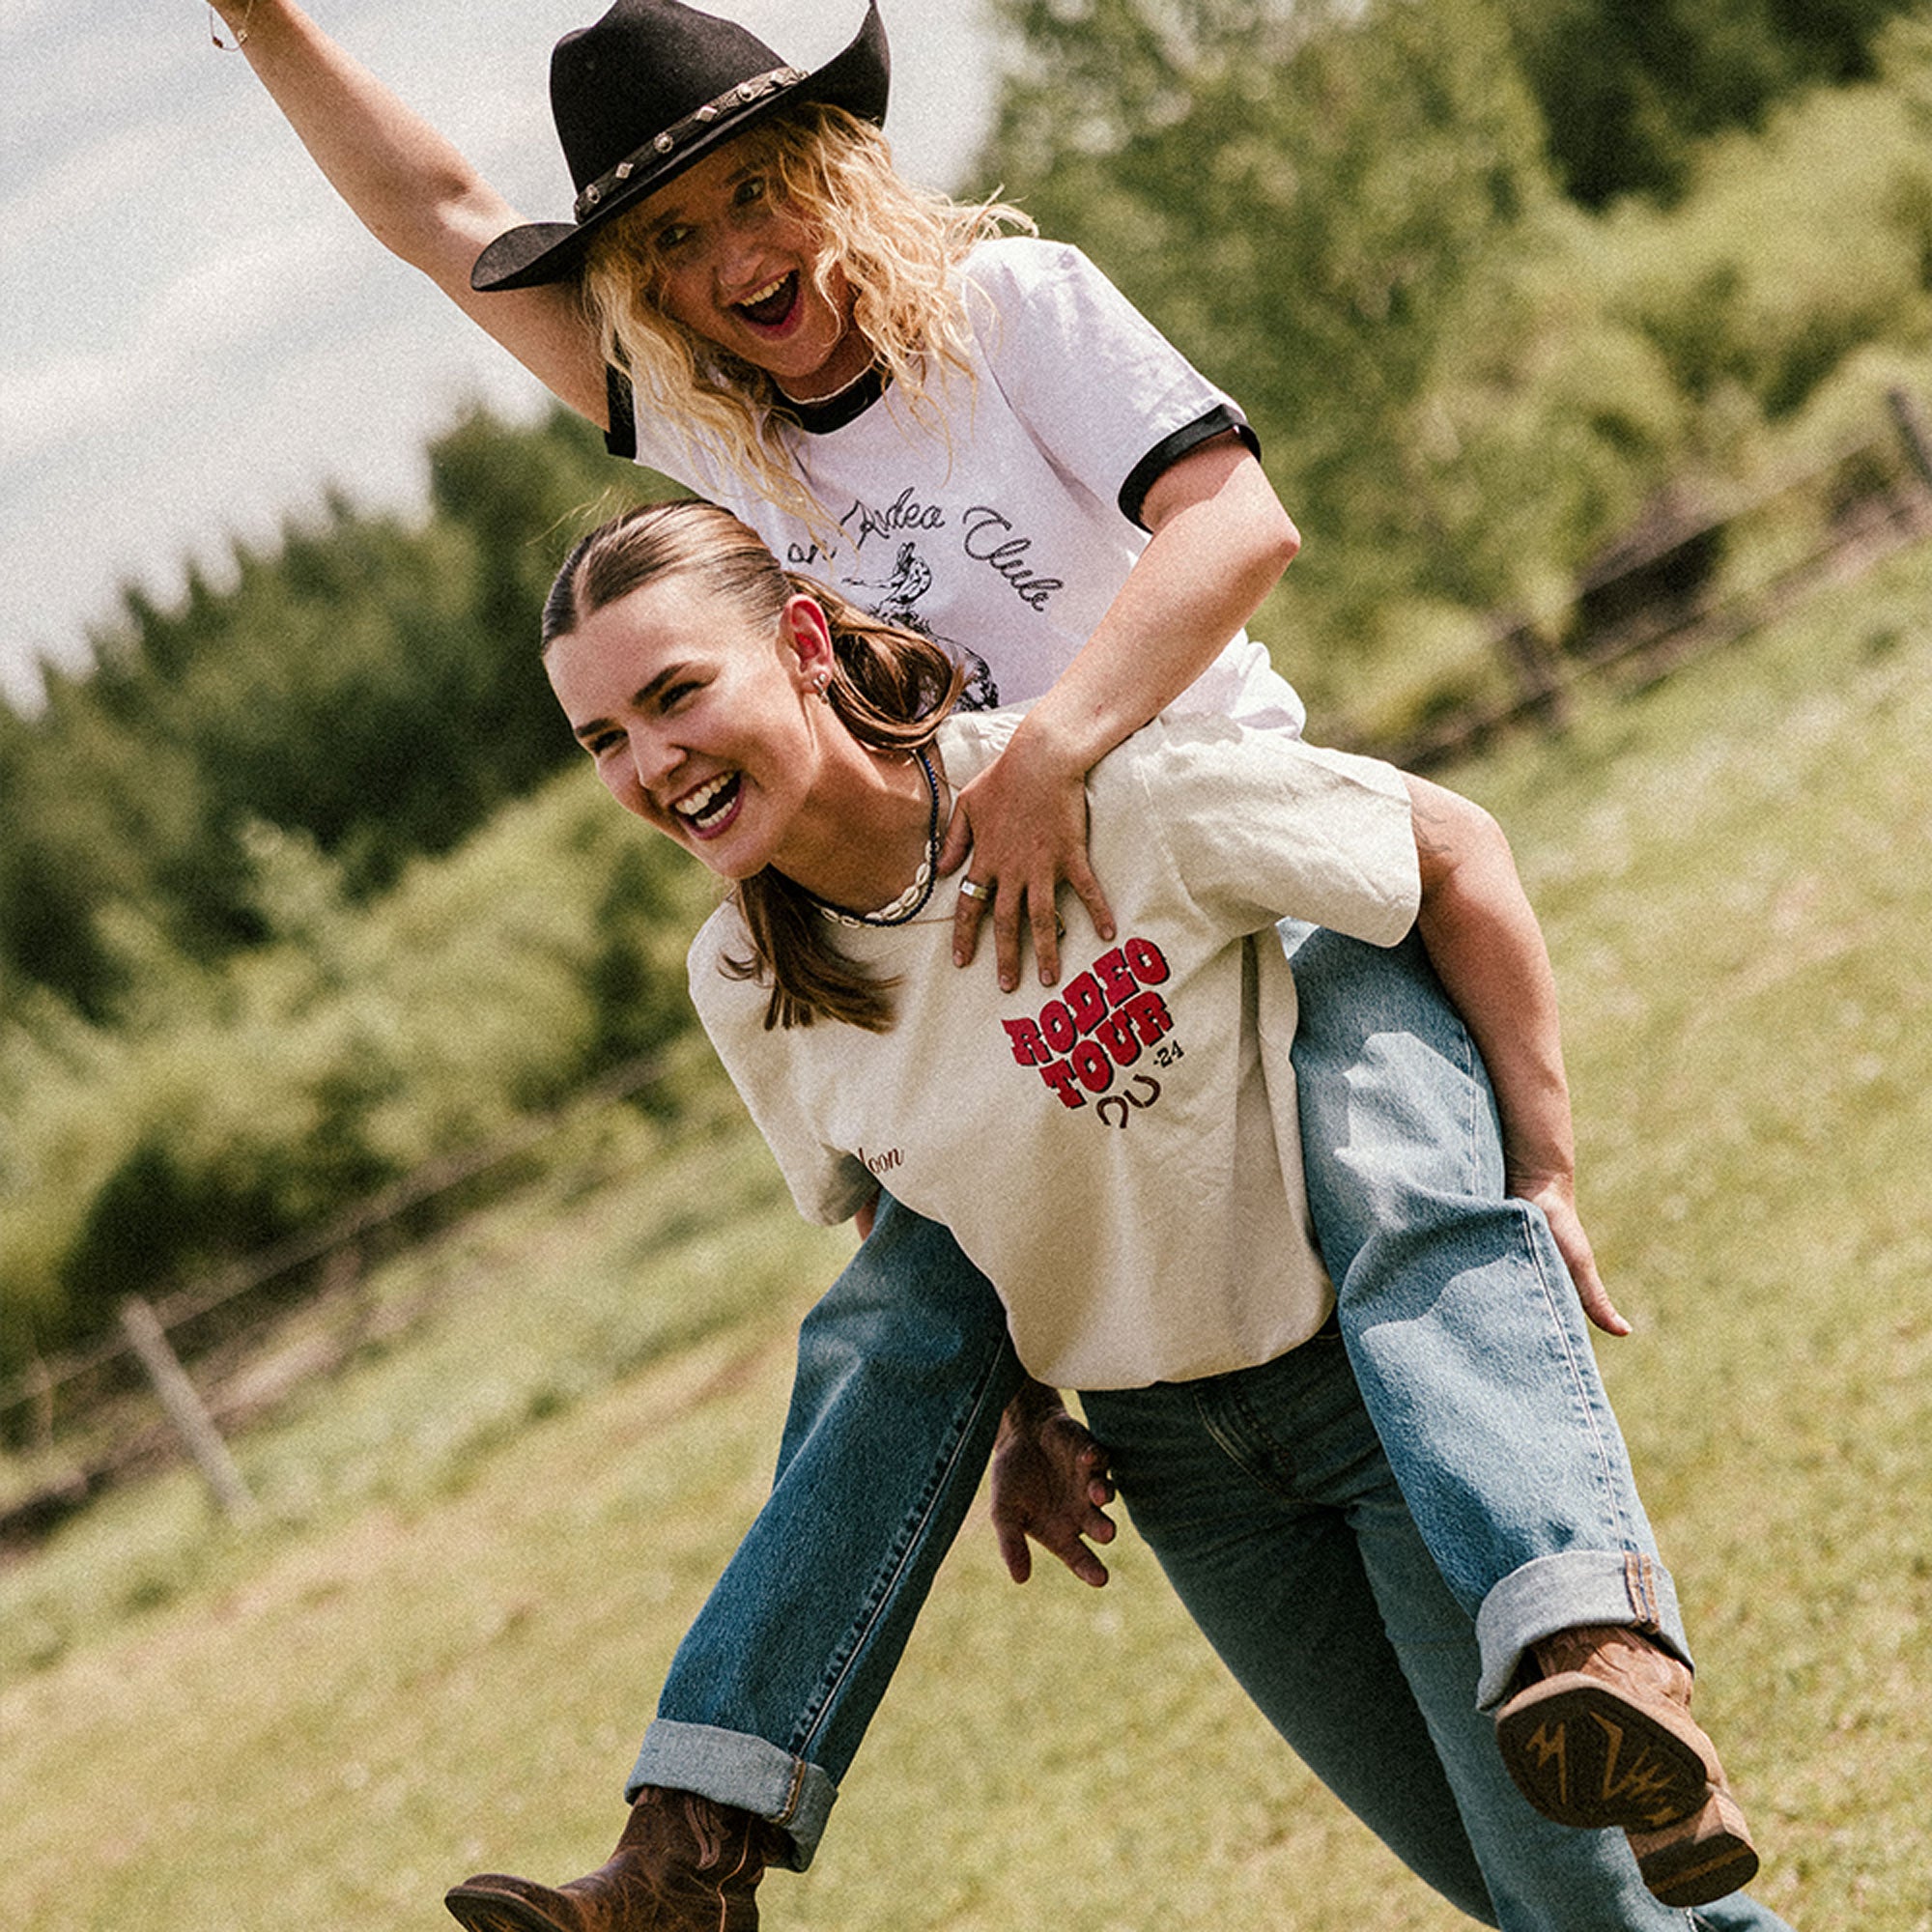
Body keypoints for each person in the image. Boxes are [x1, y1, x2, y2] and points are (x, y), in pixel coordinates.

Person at [198, 1, 1758, 1921]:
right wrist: (252, 14)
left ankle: (1587, 1645)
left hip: (1236, 868)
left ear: (833, 168)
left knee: (1387, 1168)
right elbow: (441, 214)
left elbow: (1236, 519)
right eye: (666, 243)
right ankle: (693, 1848)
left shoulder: (1014, 309)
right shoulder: (712, 425)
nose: (723, 261)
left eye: (751, 199)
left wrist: (1057, 747)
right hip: (977, 950)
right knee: (899, 1313)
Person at [518, 497, 1792, 1930]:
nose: (652, 764)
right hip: (1186, 1475)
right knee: (1550, 1900)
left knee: (1591, 1910)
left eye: (675, 695)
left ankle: (1604, 1640)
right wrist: (1020, 1425)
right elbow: (904, 1234)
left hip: (1382, 1406)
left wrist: (1542, 1169)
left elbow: (1450, 849)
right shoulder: (743, 981)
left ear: (804, 644)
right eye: (604, 740)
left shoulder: (1085, 789)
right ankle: (686, 1852)